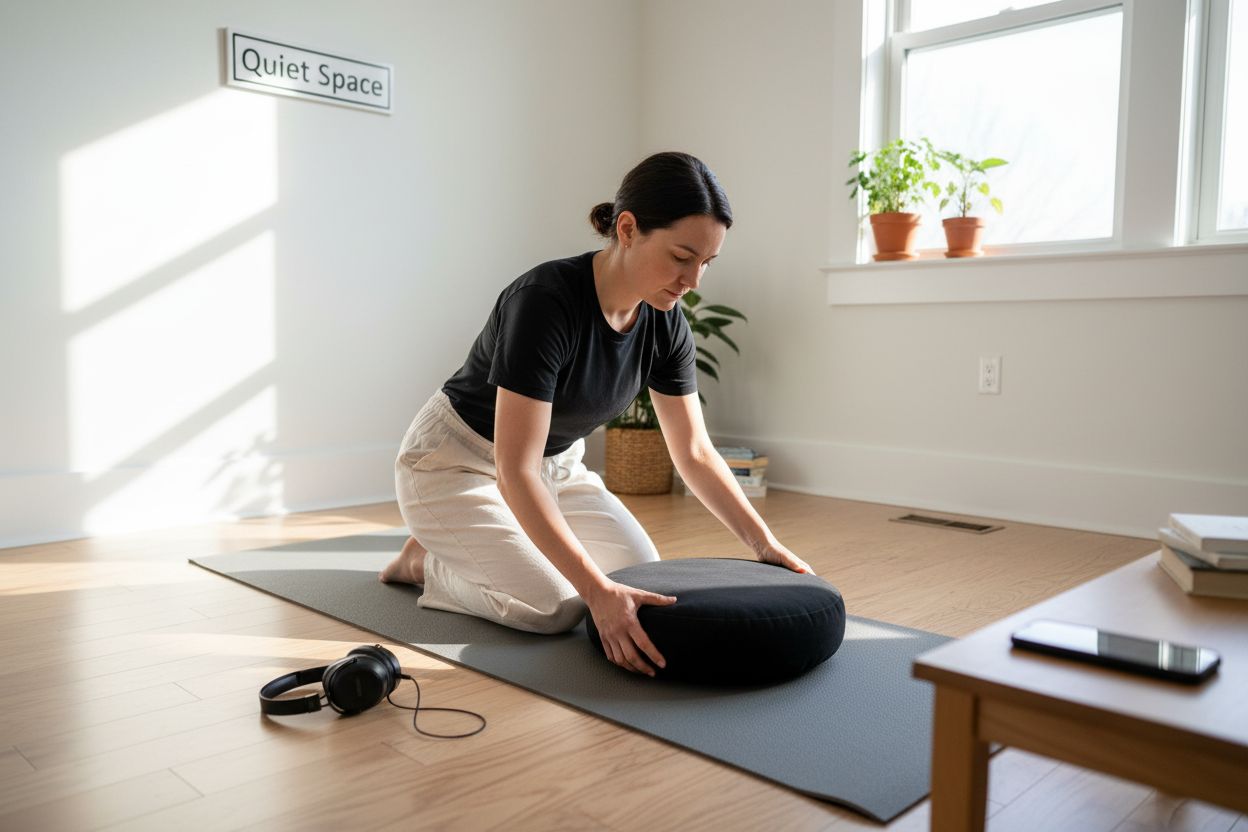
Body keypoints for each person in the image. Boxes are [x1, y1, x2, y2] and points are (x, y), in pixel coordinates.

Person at [380, 151, 813, 677]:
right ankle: (424, 561)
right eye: (681, 256)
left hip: (557, 468)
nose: (693, 280)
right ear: (627, 229)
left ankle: (471, 541)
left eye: (706, 262)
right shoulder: (544, 302)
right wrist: (595, 591)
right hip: (455, 463)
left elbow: (695, 452)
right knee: (557, 605)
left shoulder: (665, 321)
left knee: (643, 577)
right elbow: (514, 469)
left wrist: (764, 543)